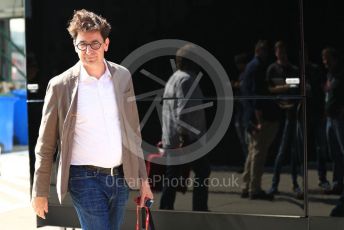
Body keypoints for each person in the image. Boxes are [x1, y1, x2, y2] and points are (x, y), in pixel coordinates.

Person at [31, 9, 153, 230]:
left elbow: (133, 132)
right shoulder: (60, 86)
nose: (89, 50)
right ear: (75, 46)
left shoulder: (123, 76)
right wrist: (39, 192)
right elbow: (46, 144)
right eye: (82, 44)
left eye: (95, 44)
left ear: (106, 44)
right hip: (83, 178)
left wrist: (143, 181)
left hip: (120, 177)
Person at [159, 44, 210, 211]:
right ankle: (199, 209)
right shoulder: (187, 80)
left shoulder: (174, 78)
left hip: (173, 137)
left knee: (172, 176)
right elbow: (183, 111)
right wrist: (185, 138)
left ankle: (165, 209)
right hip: (186, 139)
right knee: (202, 172)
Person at [240, 40, 280, 200]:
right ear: (260, 51)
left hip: (249, 115)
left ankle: (246, 185)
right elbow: (257, 94)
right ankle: (254, 188)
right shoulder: (257, 67)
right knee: (259, 152)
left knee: (252, 151)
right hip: (259, 116)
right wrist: (259, 119)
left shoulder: (250, 67)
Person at [266, 41, 303, 199]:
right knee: (280, 152)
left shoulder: (293, 69)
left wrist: (281, 85)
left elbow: (296, 84)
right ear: (275, 53)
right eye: (278, 51)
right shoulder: (272, 69)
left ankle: (295, 184)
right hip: (277, 114)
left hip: (292, 114)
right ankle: (274, 184)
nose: (281, 54)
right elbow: (269, 87)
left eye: (283, 51)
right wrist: (284, 86)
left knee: (294, 151)